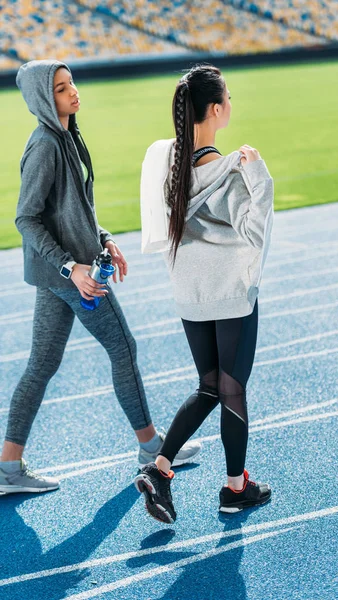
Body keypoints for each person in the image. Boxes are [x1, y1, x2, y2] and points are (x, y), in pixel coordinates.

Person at [0, 60, 200, 497]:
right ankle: (151, 447)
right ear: (41, 99)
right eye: (59, 88)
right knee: (123, 347)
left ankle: (7, 467)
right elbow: (27, 219)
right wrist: (73, 267)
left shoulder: (68, 137)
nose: (72, 92)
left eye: (71, 83)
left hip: (64, 270)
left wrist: (104, 239)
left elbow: (73, 212)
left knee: (42, 364)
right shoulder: (45, 145)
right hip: (70, 274)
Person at [134, 64, 274, 523]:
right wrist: (260, 177)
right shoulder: (231, 172)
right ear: (215, 109)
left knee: (209, 385)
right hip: (230, 294)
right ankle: (236, 487)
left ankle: (160, 469)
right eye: (228, 97)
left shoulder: (169, 168)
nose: (231, 103)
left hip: (190, 294)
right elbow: (255, 234)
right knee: (231, 389)